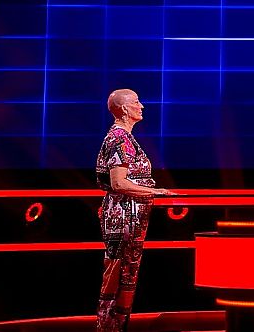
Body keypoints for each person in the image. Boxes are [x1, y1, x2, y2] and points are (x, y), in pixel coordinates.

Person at [95, 88, 173, 332]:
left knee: (126, 274)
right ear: (124, 109)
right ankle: (109, 327)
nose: (142, 106)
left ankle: (117, 325)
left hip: (132, 215)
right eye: (137, 102)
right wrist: (155, 191)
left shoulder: (124, 137)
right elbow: (118, 183)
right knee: (118, 274)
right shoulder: (120, 139)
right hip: (123, 215)